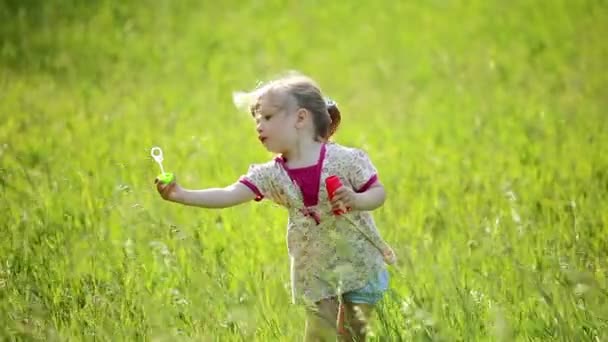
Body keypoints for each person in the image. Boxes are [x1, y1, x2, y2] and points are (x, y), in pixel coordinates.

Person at [155, 72, 396, 341]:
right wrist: (180, 194)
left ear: (300, 118)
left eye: (267, 117)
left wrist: (356, 199)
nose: (259, 126)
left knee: (352, 333)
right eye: (256, 119)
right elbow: (229, 194)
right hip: (314, 269)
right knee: (319, 334)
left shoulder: (345, 159)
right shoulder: (270, 174)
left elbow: (378, 193)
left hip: (359, 260)